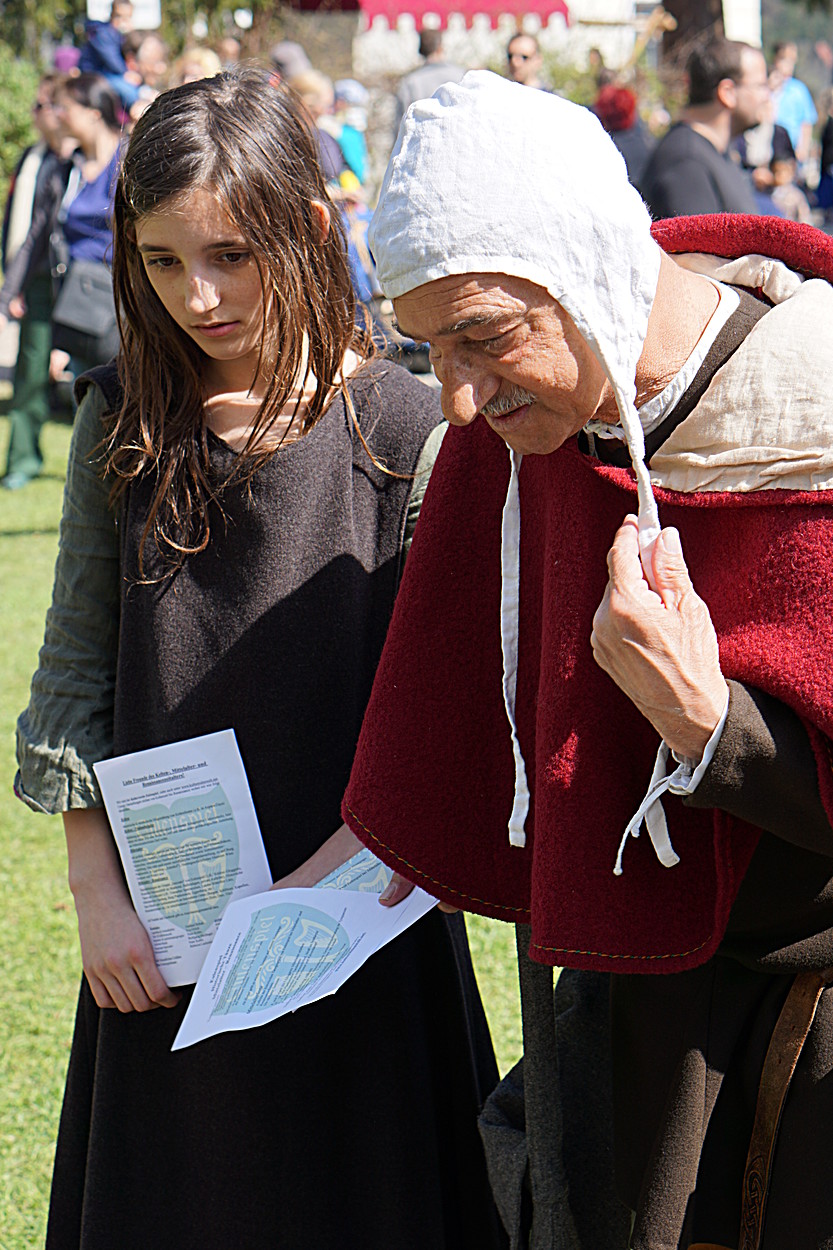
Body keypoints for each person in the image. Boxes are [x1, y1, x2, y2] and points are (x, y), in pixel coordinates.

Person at [340, 71, 833, 1249]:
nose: (454, 399)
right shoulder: (523, 426)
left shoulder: (809, 411)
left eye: (482, 336)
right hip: (622, 1015)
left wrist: (714, 727)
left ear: (590, 268)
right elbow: (455, 688)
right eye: (425, 348)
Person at [15, 67, 505, 1250]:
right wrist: (96, 897)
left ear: (307, 226)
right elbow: (76, 670)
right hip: (169, 947)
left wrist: (323, 895)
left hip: (361, 931)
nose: (199, 294)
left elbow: (448, 707)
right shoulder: (120, 417)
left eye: (232, 253)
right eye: (163, 260)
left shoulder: (409, 430)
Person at [0, 74, 75, 489]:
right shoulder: (32, 158)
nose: (36, 113)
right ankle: (22, 460)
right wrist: (12, 286)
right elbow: (17, 226)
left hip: (81, 284)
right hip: (38, 285)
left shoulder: (81, 162)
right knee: (29, 377)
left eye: (42, 105)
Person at [641, 38, 767, 218]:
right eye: (761, 86)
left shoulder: (714, 152)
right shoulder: (686, 163)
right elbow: (696, 245)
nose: (767, 96)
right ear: (727, 93)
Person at [49, 74, 124, 378]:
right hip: (76, 301)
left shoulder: (126, 161)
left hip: (114, 303)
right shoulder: (71, 167)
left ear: (94, 113)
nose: (59, 116)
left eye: (66, 108)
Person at [393, 28, 464, 133]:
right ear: (440, 47)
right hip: (456, 136)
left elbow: (402, 122)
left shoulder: (411, 81)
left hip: (423, 139)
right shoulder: (461, 75)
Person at [78, 0, 141, 110]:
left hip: (110, 74)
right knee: (130, 93)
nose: (123, 21)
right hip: (95, 74)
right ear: (112, 15)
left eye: (127, 17)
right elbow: (111, 59)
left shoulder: (119, 35)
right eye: (119, 16)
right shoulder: (102, 34)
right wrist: (126, 73)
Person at [770, 41, 817, 166]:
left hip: (790, 152)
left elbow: (806, 123)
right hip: (769, 148)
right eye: (785, 59)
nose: (789, 65)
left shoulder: (798, 90)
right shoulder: (767, 86)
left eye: (792, 61)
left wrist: (803, 149)